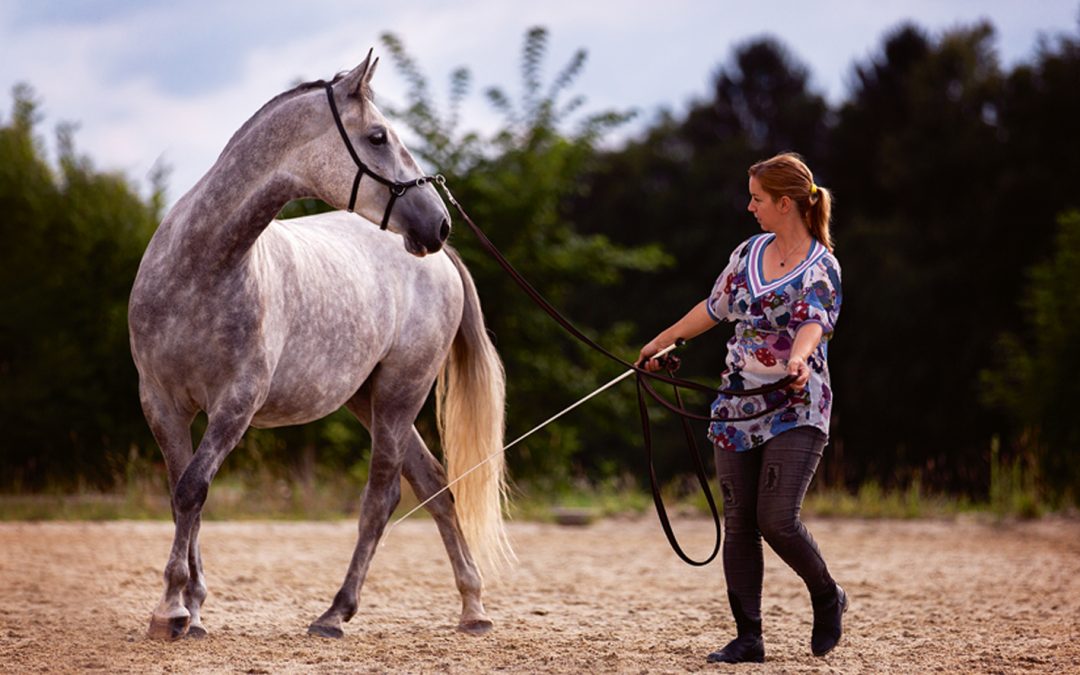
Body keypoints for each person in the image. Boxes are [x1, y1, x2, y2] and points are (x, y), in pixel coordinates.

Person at [638, 152, 845, 664]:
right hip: (737, 402)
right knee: (739, 520)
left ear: (785, 202)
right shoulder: (748, 253)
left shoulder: (823, 266)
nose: (748, 206)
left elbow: (814, 322)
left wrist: (798, 359)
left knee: (777, 518)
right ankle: (749, 637)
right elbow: (713, 309)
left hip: (796, 405)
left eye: (756, 198)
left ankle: (826, 594)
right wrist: (659, 344)